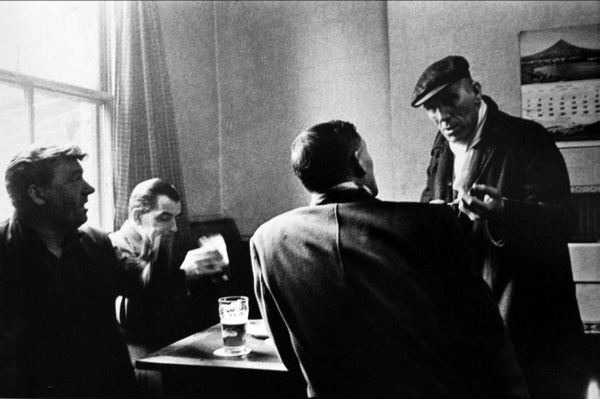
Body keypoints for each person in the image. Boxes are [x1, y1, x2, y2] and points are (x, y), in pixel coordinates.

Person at [251, 120, 529, 399]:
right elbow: (485, 340)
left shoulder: (267, 241)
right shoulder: (430, 225)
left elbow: (290, 355)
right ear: (359, 161)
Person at [412, 55, 588, 399]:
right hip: (473, 322)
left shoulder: (527, 138)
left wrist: (503, 210)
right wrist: (431, 218)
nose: (442, 116)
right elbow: (428, 204)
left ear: (476, 91)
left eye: (450, 100)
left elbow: (564, 221)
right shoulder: (440, 148)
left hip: (529, 322)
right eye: (431, 108)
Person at [0, 145, 135, 397]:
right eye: (75, 179)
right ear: (38, 193)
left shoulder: (98, 243)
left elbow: (143, 290)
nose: (89, 189)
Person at [110, 178, 231, 351]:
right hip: (144, 353)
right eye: (165, 218)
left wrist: (215, 270)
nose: (174, 227)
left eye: (175, 218)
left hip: (180, 346)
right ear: (137, 216)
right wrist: (183, 274)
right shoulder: (113, 248)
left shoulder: (165, 246)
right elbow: (135, 318)